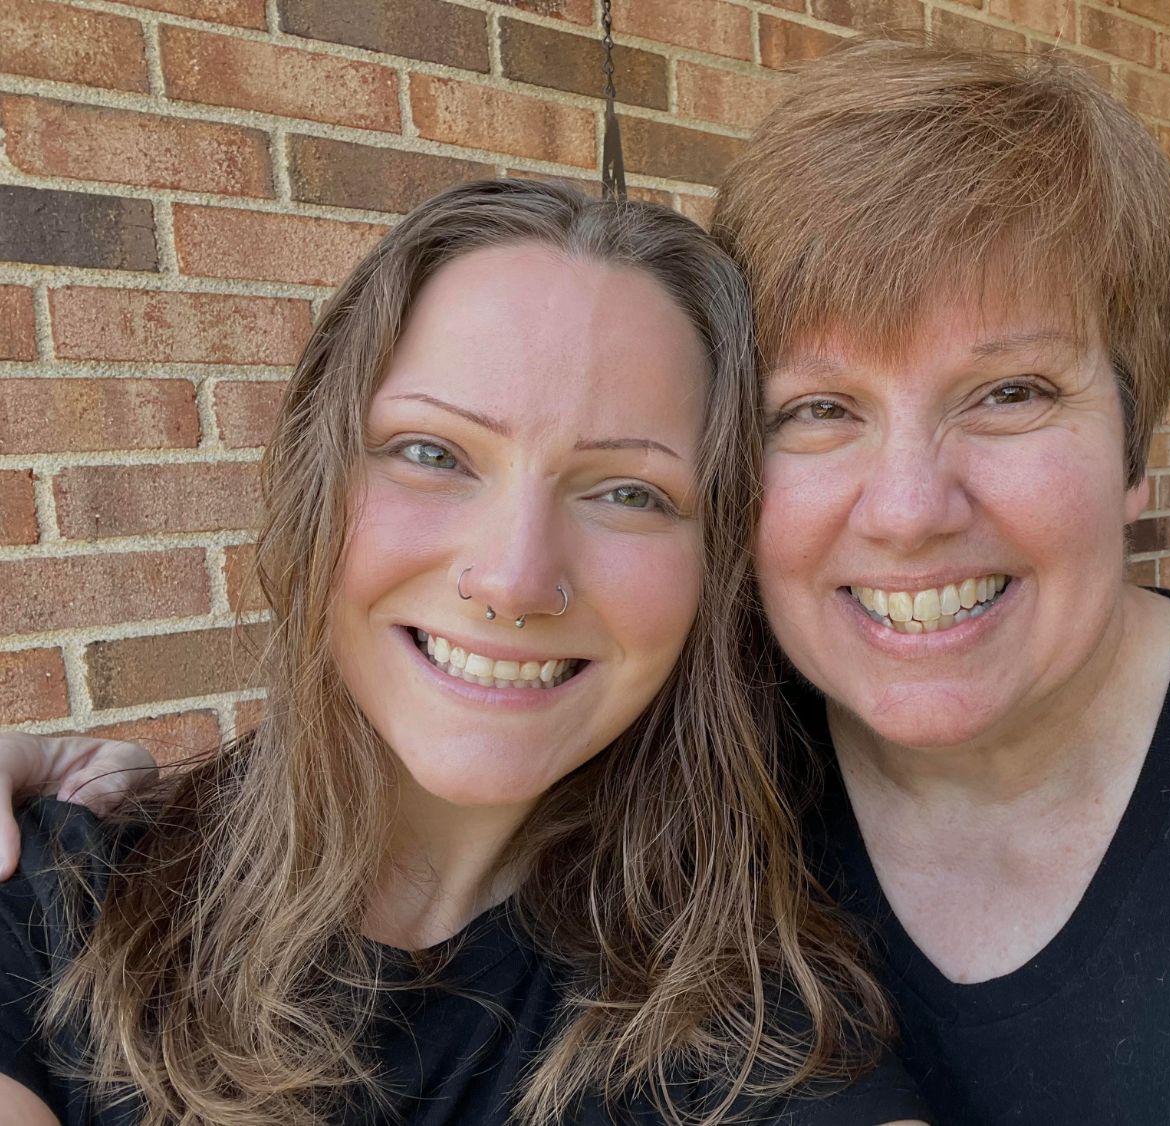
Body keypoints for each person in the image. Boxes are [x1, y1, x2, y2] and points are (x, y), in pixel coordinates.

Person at [9, 39, 1170, 1125]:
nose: (909, 511)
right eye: (821, 409)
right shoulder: (668, 778)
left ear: (1138, 444)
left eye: (1011, 394)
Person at [0, 179, 929, 1126]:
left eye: (630, 492)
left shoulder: (761, 1033)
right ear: (319, 478)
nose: (515, 577)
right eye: (433, 454)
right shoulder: (51, 908)